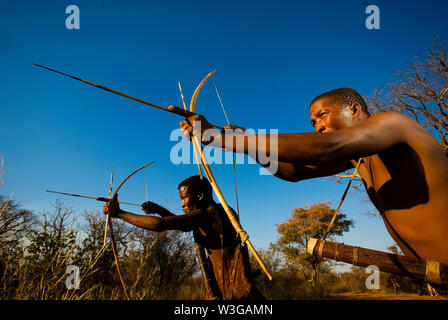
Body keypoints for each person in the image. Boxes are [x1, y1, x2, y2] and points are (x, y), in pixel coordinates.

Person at [178, 88, 448, 267]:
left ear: (354, 110)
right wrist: (237, 140)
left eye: (322, 116)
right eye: (312, 122)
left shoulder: (393, 124)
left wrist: (223, 138)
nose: (318, 126)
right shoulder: (357, 157)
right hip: (435, 277)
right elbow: (294, 171)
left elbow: (327, 147)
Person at [103, 175, 264, 300]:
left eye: (184, 198)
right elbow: (185, 224)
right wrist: (159, 209)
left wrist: (119, 213)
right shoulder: (221, 210)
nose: (182, 204)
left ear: (200, 195)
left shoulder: (208, 214)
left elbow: (159, 225)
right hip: (231, 287)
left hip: (234, 291)